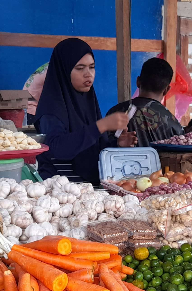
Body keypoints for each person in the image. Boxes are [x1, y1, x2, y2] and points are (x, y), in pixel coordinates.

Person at [34, 38, 136, 183]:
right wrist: (102, 125)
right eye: (80, 68)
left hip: (89, 190)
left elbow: (90, 148)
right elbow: (58, 147)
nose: (88, 74)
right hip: (59, 192)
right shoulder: (52, 108)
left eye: (92, 67)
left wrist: (117, 144)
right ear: (64, 69)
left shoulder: (88, 101)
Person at [105, 57, 184, 146]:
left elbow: (101, 148)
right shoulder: (173, 124)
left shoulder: (114, 113)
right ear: (167, 90)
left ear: (138, 82)